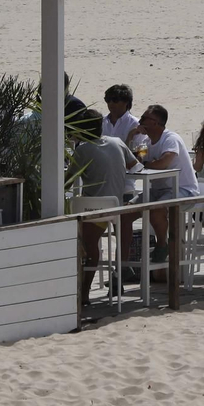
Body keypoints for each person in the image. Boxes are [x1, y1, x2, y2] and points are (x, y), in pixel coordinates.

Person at [70, 106, 138, 298]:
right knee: (96, 241)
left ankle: (83, 293)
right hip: (116, 205)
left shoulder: (83, 150)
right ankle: (120, 271)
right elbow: (134, 166)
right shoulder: (117, 142)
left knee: (89, 248)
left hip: (95, 207)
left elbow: (68, 178)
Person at [136, 104, 198, 262]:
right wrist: (132, 135)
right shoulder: (146, 141)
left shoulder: (170, 138)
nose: (140, 121)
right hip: (158, 190)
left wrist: (147, 164)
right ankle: (125, 263)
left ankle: (162, 245)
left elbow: (164, 162)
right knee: (127, 212)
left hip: (183, 189)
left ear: (155, 122)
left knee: (156, 209)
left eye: (144, 118)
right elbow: (136, 160)